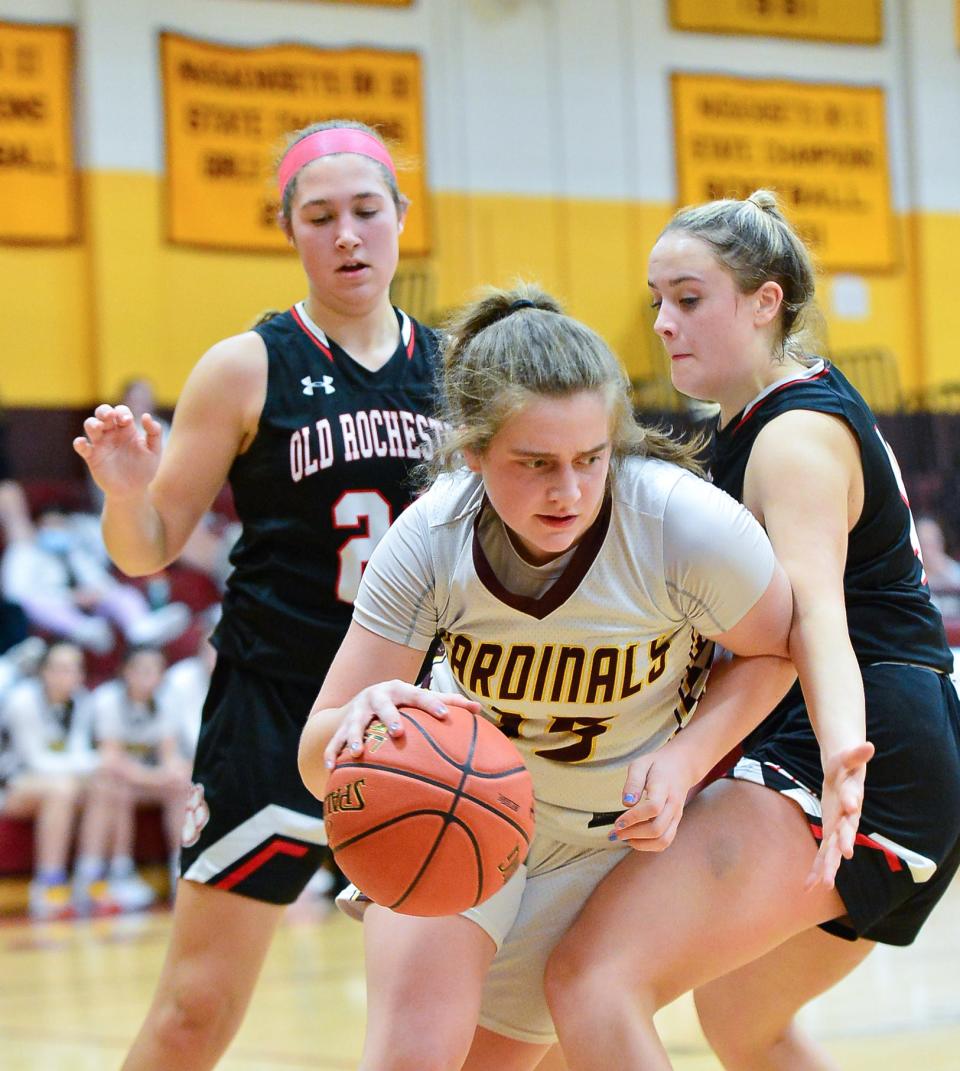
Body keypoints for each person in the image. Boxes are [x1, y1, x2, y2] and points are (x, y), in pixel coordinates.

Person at [297, 282, 799, 1071]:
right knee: (410, 1060)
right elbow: (313, 751)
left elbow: (778, 651)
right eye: (534, 464)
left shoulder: (682, 525)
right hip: (459, 805)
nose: (567, 491)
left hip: (607, 837)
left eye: (589, 459)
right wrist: (359, 722)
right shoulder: (432, 535)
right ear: (473, 452)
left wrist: (684, 758)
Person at [542, 190, 960, 1071]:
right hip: (902, 748)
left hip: (854, 744)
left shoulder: (793, 438)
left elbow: (816, 618)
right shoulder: (751, 422)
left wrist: (846, 751)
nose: (663, 321)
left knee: (590, 979)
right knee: (741, 1019)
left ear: (766, 301)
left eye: (689, 299)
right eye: (657, 299)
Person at [72, 119, 443, 1069]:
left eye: (367, 211)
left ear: (403, 217)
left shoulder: (457, 371)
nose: (348, 235)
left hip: (422, 718)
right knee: (194, 1011)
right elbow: (147, 547)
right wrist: (124, 490)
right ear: (292, 231)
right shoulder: (246, 365)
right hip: (274, 708)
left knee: (473, 1011)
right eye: (320, 217)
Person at [76, 645, 190, 912]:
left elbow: (169, 754)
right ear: (125, 672)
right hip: (107, 779)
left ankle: (182, 871)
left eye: (156, 670)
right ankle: (113, 873)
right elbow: (111, 759)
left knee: (181, 786)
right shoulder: (107, 699)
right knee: (114, 786)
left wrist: (172, 772)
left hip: (145, 779)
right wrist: (157, 777)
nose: (149, 676)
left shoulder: (167, 700)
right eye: (142, 669)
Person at [0, 641, 99, 920]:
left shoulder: (81, 701)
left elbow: (80, 751)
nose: (66, 675)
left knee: (103, 787)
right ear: (43, 672)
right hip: (11, 785)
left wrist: (91, 768)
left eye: (73, 669)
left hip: (59, 780)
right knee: (62, 790)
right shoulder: (23, 700)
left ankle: (91, 877)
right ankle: (48, 884)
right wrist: (89, 766)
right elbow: (35, 760)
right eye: (59, 668)